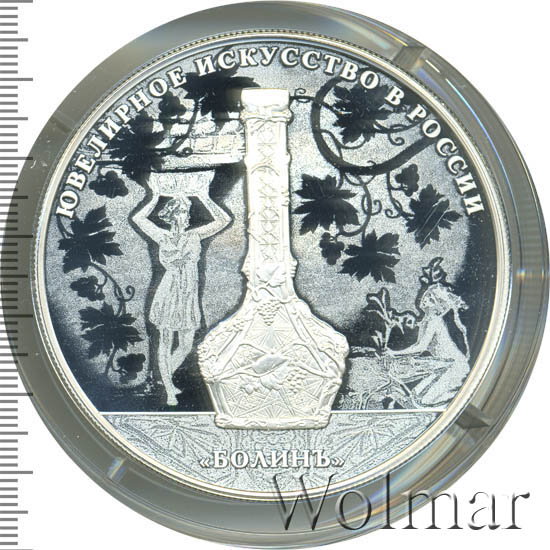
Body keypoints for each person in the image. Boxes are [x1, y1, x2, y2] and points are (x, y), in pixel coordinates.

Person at [132, 172, 231, 405]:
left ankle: (163, 377)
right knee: (165, 341)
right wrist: (155, 196)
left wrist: (203, 197)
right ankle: (168, 390)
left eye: (187, 213)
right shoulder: (162, 236)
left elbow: (224, 220)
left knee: (186, 345)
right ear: (172, 215)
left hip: (188, 293)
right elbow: (138, 219)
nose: (186, 216)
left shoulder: (194, 236)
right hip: (169, 291)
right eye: (182, 212)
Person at [387, 282, 470, 407]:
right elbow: (417, 346)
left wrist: (394, 353)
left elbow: (420, 348)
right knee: (415, 395)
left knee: (424, 401)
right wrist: (397, 354)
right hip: (443, 366)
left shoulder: (434, 321)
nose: (426, 299)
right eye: (427, 295)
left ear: (438, 307)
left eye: (431, 299)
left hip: (455, 368)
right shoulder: (426, 321)